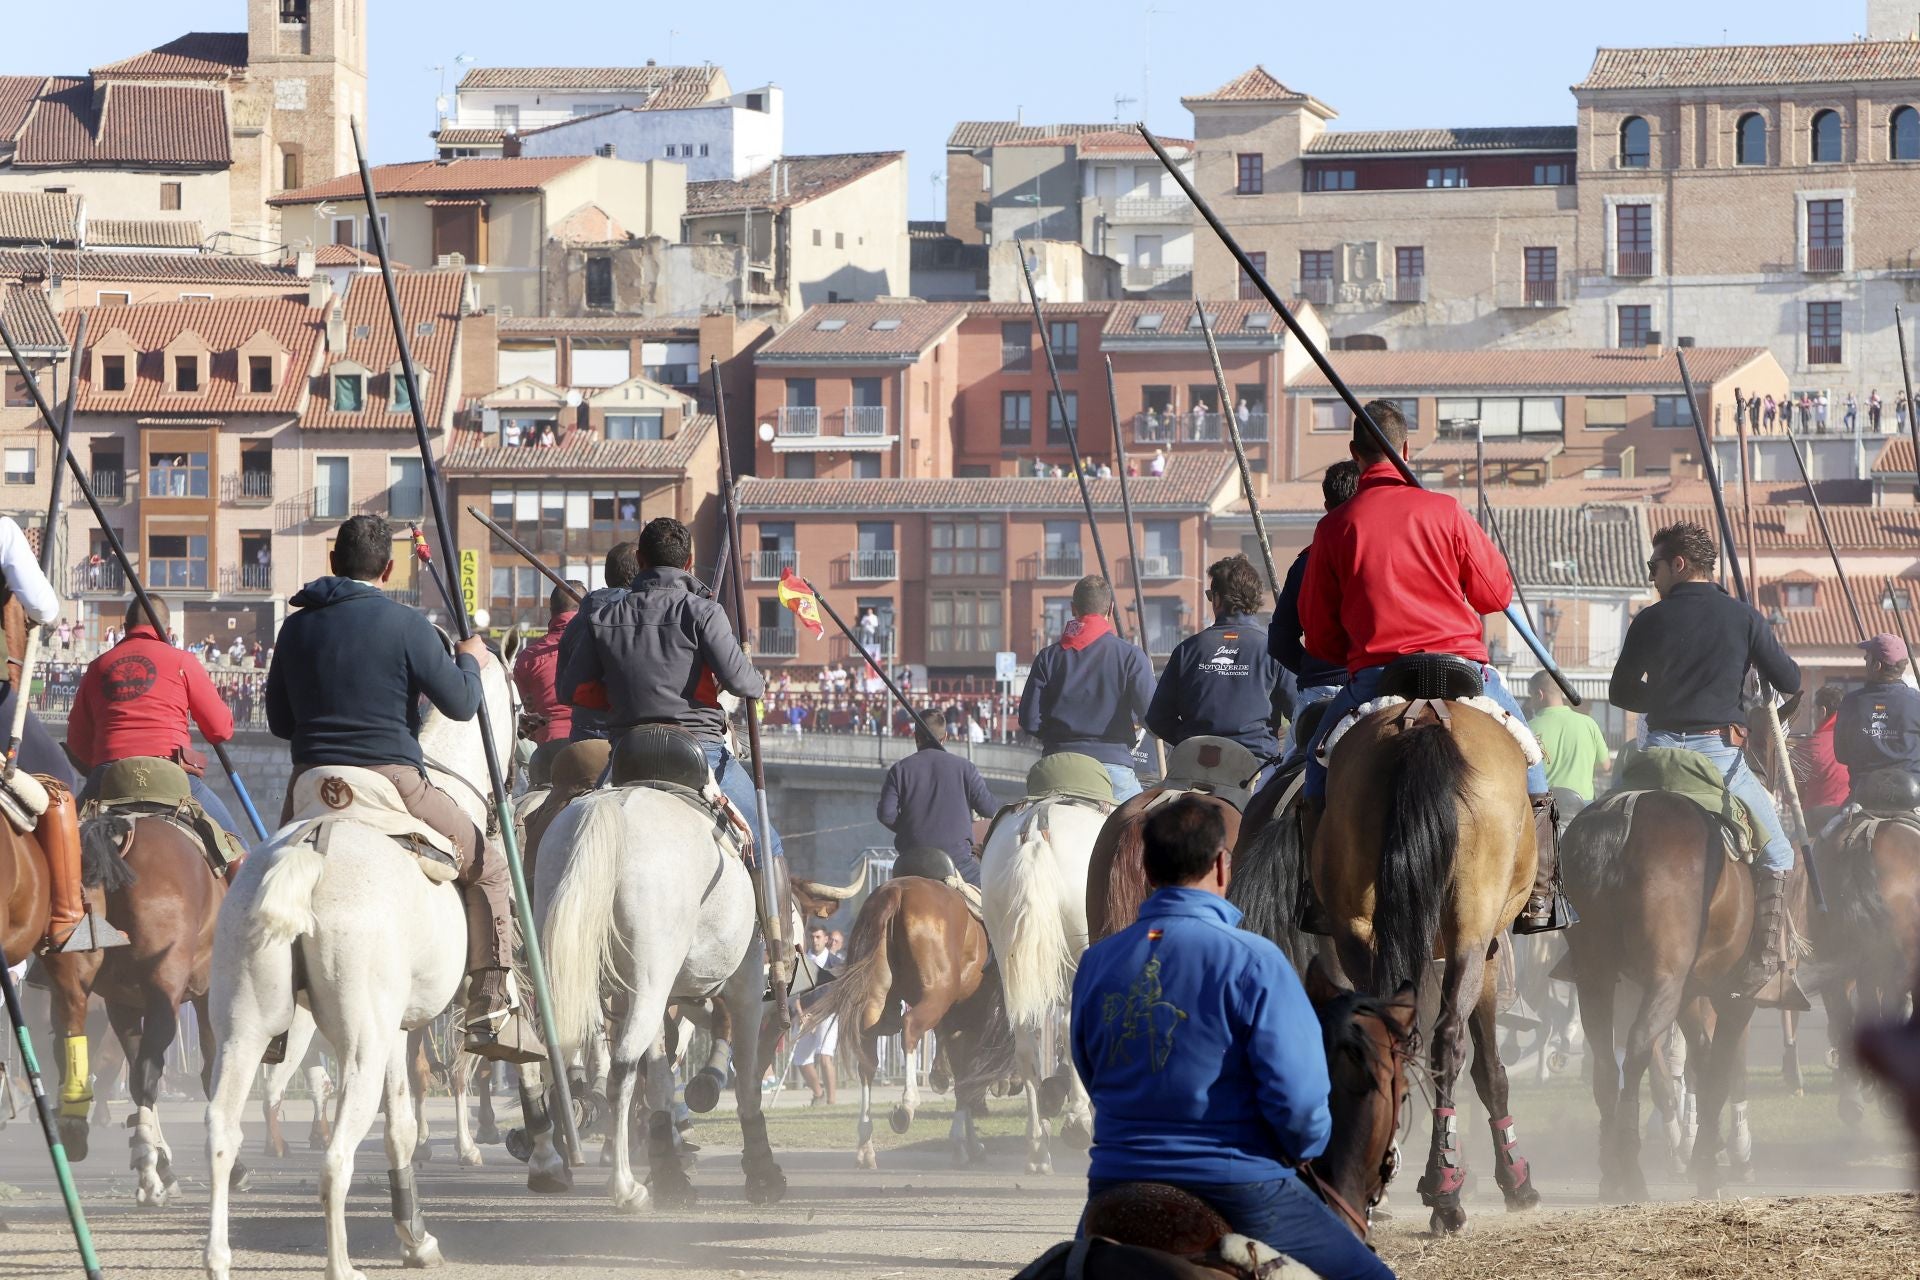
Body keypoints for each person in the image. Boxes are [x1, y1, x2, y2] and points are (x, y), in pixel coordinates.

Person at [1071, 797, 1392, 1280]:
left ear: (1147, 871)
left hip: (1115, 1182)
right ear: (1223, 866)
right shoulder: (1256, 961)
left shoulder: (1097, 962)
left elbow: (1090, 1069)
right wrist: (1302, 1148)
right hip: (1239, 1186)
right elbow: (1300, 1103)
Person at [265, 514, 539, 1063]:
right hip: (391, 780)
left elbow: (279, 722)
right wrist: (470, 660)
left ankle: (271, 1006)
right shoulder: (406, 624)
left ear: (332, 561)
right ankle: (490, 1008)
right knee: (489, 866)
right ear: (389, 570)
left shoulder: (295, 627)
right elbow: (461, 704)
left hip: (311, 783)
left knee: (270, 874)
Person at [1299, 400, 1568, 934]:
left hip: (1376, 678)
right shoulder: (1445, 510)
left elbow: (1320, 634)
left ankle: (1317, 893)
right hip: (1463, 672)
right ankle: (1542, 894)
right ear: (1406, 449)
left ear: (1354, 454)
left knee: (1316, 768)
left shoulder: (1334, 527)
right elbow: (1494, 594)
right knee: (1532, 763)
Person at [1609, 520, 1802, 999]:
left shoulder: (1649, 619)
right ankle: (1763, 960)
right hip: (1717, 756)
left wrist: (1664, 696)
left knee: (1604, 830)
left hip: (1654, 754)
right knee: (1779, 853)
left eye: (1653, 565)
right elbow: (1790, 680)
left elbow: (1620, 692)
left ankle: (1587, 947)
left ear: (1678, 564)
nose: (1651, 575)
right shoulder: (1744, 617)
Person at [555, 516, 782, 861]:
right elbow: (741, 682)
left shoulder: (603, 617)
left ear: (641, 560)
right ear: (689, 563)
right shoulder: (705, 612)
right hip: (698, 749)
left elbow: (572, 691)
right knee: (768, 843)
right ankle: (770, 893)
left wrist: (619, 696)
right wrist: (753, 676)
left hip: (628, 750)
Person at [68, 596, 242, 836]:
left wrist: (102, 762)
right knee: (237, 847)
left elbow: (77, 742)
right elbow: (220, 729)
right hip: (171, 773)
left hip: (109, 776)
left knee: (61, 845)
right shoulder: (182, 661)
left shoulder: (98, 666)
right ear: (168, 631)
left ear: (125, 628)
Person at [1019, 575, 1154, 802]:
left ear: (1073, 608)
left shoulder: (1047, 657)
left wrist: (1058, 737)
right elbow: (1151, 717)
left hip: (1056, 766)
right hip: (1112, 767)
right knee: (1143, 821)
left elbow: (1029, 720)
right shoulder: (1131, 656)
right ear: (1110, 609)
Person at [1146, 555, 1282, 774]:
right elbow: (1299, 711)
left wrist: (1188, 739)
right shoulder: (1275, 649)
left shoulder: (1187, 649)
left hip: (1194, 765)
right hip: (1256, 768)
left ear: (1217, 599)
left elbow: (1157, 718)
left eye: (1210, 596)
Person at [1271, 461, 1359, 758]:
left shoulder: (1305, 564)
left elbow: (1279, 640)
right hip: (1376, 687)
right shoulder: (1385, 558)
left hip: (1320, 693)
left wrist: (1314, 667)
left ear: (1326, 506)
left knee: (1279, 779)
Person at [876, 716, 999, 885]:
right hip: (956, 861)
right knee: (992, 891)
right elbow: (989, 809)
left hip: (910, 861)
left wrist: (909, 829)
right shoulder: (965, 768)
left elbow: (886, 814)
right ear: (945, 737)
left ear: (916, 737)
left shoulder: (900, 769)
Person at [555, 542, 638, 743]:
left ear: (607, 575)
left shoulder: (578, 621)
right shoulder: (646, 617)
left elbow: (564, 693)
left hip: (585, 731)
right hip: (632, 731)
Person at [1834, 634, 1920, 782]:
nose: (1864, 659)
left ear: (1876, 666)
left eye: (1867, 656)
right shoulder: (1916, 702)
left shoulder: (1850, 702)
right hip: (1912, 790)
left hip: (1863, 791)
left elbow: (1841, 754)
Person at [1526, 668, 1611, 810]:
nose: (1530, 704)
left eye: (1530, 696)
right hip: (1582, 811)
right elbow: (1605, 765)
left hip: (1544, 811)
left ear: (1539, 694)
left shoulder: (1527, 729)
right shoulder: (1588, 723)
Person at [513, 581, 586, 745]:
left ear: (551, 612)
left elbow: (527, 712)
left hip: (550, 742)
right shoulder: (600, 645)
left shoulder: (528, 657)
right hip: (593, 739)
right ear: (585, 609)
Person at [792, 926, 838, 1105]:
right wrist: (800, 1013)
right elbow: (794, 992)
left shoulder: (835, 963)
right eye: (812, 937)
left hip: (827, 1015)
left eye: (818, 937)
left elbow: (839, 993)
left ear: (826, 939)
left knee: (824, 1056)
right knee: (801, 1059)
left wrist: (820, 1015)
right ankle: (819, 1094)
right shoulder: (802, 961)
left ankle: (831, 1101)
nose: (815, 940)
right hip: (806, 1016)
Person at [1792, 685, 1851, 811]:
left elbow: (1792, 793)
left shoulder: (1807, 747)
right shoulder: (1856, 741)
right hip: (1851, 813)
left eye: (1813, 711)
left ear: (1822, 712)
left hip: (1816, 815)